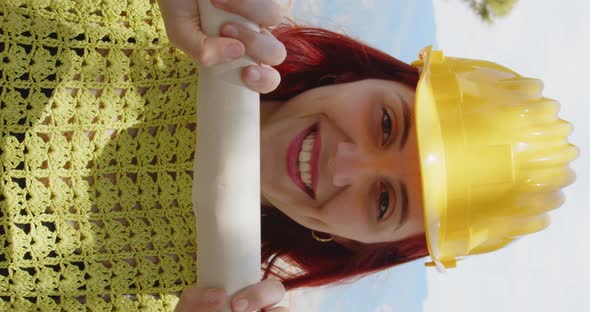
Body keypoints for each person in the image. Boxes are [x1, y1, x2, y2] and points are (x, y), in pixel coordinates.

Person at [0, 1, 577, 312]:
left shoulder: (178, 299)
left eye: (383, 201)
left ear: (360, 246)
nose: (344, 166)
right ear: (365, 77)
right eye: (386, 123)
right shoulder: (175, 15)